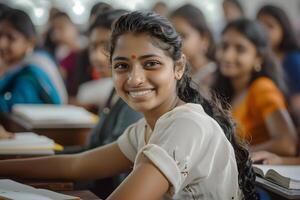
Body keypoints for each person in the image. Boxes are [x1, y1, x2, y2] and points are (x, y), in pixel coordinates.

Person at [0, 11, 258, 200]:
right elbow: (76, 165)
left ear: (178, 68)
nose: (134, 79)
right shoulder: (146, 128)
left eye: (151, 63)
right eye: (122, 66)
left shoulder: (185, 125)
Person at [213, 18, 298, 156]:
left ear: (258, 57)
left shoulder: (262, 88)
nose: (227, 56)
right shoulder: (226, 90)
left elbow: (287, 144)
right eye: (224, 46)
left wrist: (235, 155)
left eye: (240, 49)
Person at [0, 9, 62, 112]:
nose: (1, 44)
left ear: (30, 42)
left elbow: (11, 106)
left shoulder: (33, 69)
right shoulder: (15, 67)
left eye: (11, 38)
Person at [257, 5, 300, 131]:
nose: (265, 31)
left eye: (270, 26)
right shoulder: (262, 59)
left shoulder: (292, 59)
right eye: (260, 26)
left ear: (284, 28)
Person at [170, 4, 217, 96]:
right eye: (171, 36)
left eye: (183, 36)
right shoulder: (176, 73)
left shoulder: (217, 76)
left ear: (204, 39)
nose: (175, 42)